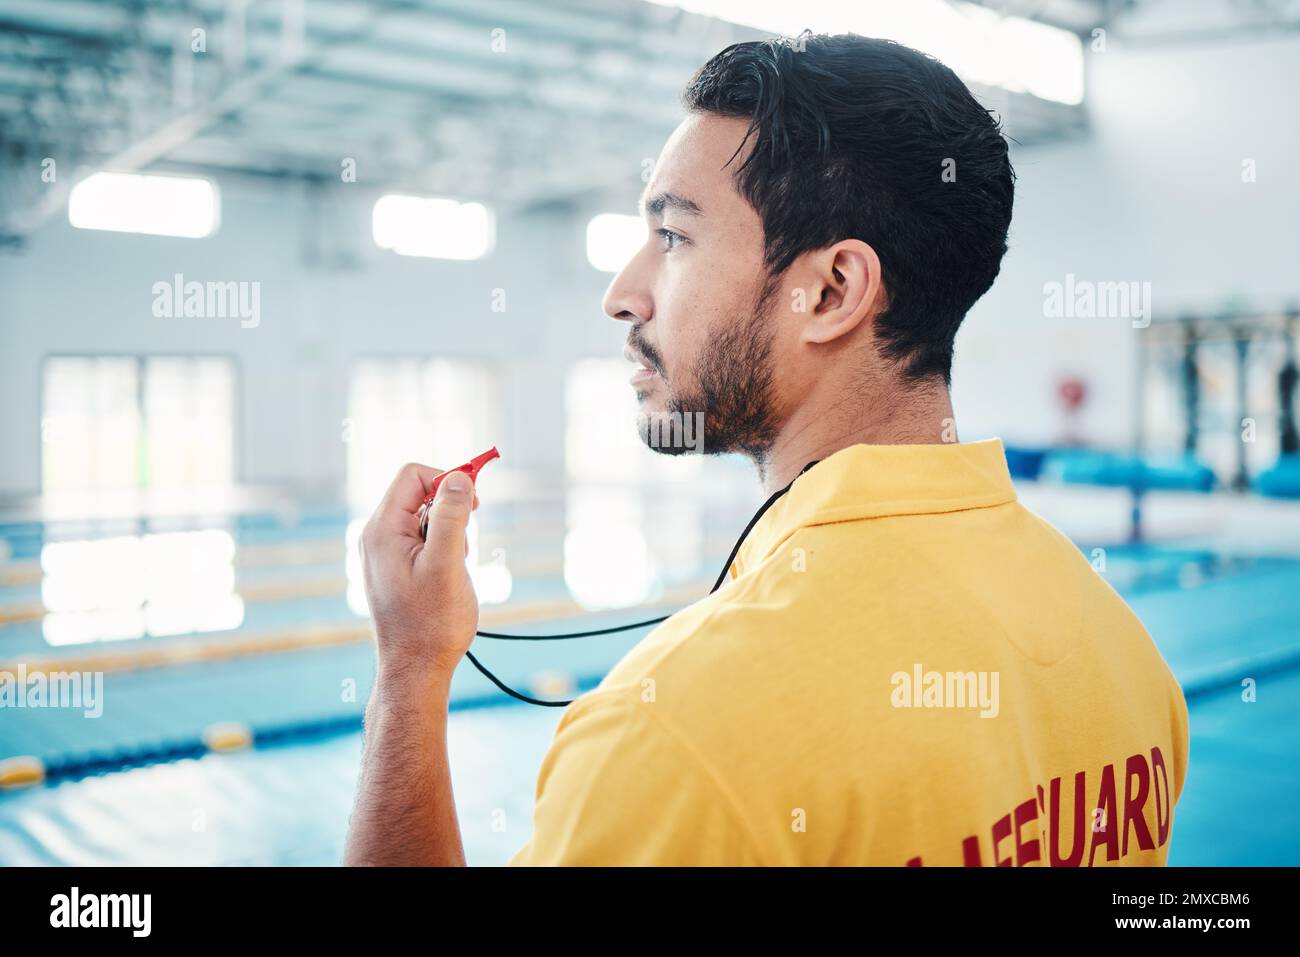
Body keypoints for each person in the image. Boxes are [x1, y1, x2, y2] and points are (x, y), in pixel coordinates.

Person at [344, 33, 1189, 867]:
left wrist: (409, 675)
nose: (620, 295)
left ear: (828, 292)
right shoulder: (1123, 652)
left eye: (673, 238)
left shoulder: (676, 731)